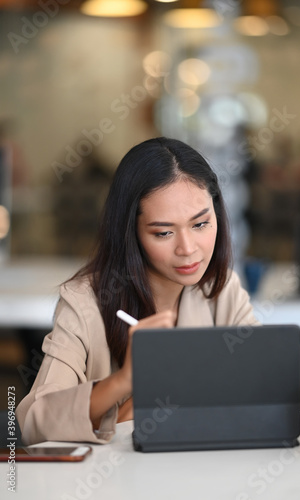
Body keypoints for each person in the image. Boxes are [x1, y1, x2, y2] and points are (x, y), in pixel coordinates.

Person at [16, 137, 259, 445]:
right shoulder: (85, 303)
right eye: (163, 232)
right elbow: (34, 424)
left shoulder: (221, 290)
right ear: (131, 233)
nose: (187, 249)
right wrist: (124, 381)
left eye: (200, 225)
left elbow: (260, 390)